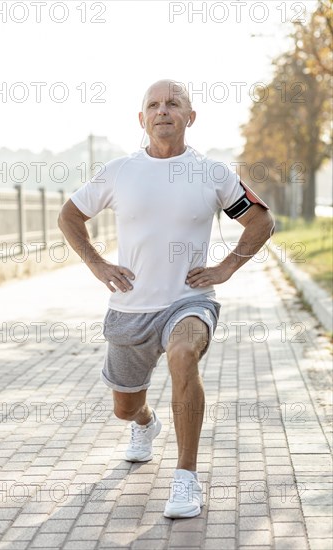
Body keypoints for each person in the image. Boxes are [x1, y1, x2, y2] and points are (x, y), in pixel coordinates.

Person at [58, 79, 274, 519]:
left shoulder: (213, 174)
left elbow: (261, 222)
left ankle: (186, 478)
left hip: (189, 300)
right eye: (153, 105)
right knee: (125, 408)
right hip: (130, 309)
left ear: (189, 117)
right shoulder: (119, 171)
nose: (163, 110)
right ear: (142, 119)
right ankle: (145, 424)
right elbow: (69, 215)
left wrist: (225, 268)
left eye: (173, 103)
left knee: (182, 354)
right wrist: (98, 265)